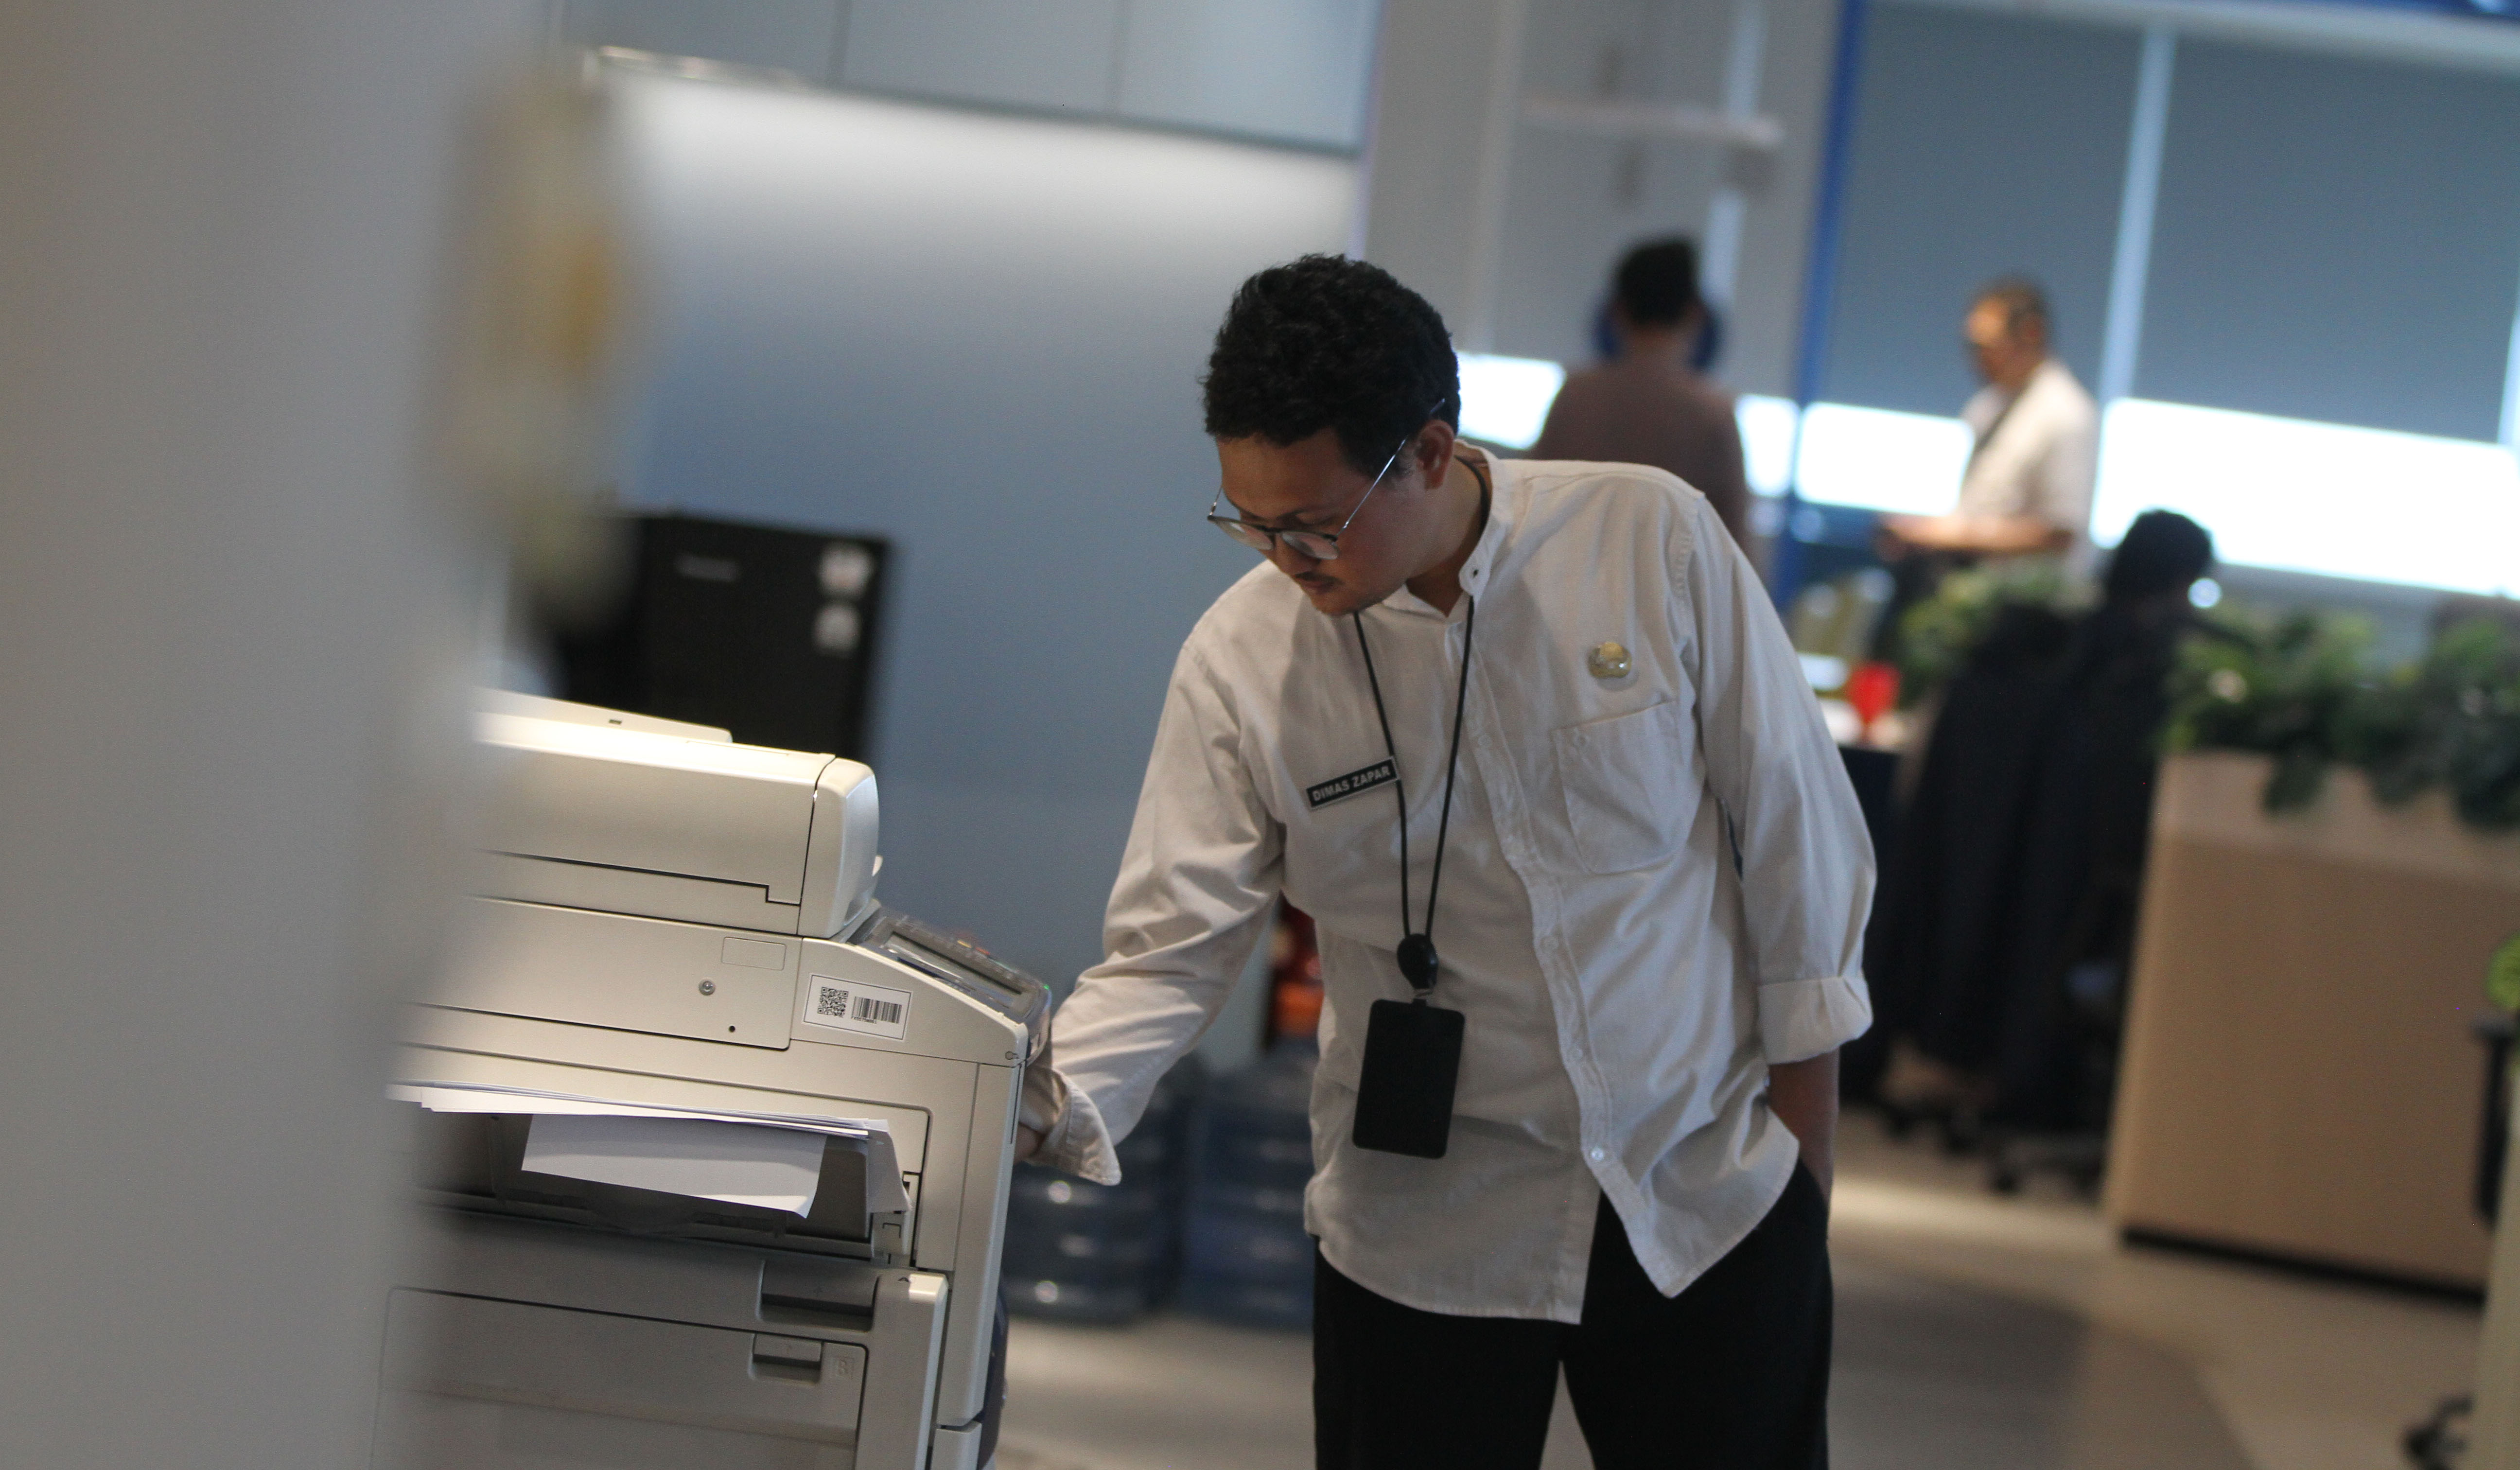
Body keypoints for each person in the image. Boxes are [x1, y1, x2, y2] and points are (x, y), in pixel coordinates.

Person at [1017, 255, 1873, 1469]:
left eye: (1312, 523)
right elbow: (1169, 950)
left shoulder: (1648, 541)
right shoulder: (1242, 661)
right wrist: (1030, 1106)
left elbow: (1798, 848)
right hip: (1422, 1231)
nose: (1283, 559)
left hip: (1699, 1194)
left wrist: (1801, 1179)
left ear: (1426, 451)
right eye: (1250, 523)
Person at [1532, 237, 1754, 553]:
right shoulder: (1712, 415)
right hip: (1666, 601)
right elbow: (1739, 556)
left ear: (1615, 311)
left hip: (1567, 595)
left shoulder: (1574, 398)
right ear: (1697, 315)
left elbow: (1528, 516)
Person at [1877, 277, 2098, 567]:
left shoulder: (2066, 413)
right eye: (1971, 347)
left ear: (2031, 333)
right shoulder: (1988, 406)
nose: (1976, 359)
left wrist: (1947, 536)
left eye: (1987, 345)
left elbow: (2060, 534)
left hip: (2027, 604)